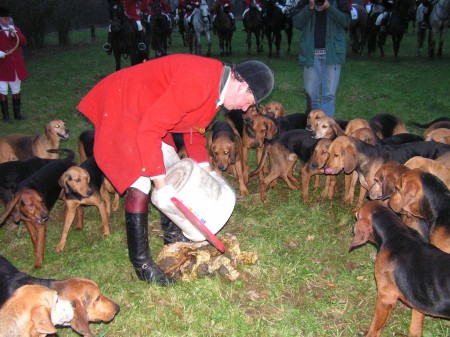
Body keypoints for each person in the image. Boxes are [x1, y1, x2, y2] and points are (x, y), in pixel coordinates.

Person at [77, 54, 274, 286]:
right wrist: (161, 186)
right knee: (140, 177)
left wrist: (206, 171)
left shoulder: (216, 91)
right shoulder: (200, 82)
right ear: (241, 84)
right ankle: (142, 264)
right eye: (250, 99)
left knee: (172, 165)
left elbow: (193, 130)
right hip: (125, 106)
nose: (247, 107)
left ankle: (173, 239)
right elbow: (149, 130)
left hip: (148, 113)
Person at [292, 0, 351, 117]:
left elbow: (346, 22)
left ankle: (327, 129)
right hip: (311, 54)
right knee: (310, 94)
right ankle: (314, 126)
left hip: (332, 54)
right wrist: (310, 7)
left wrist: (329, 7)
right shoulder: (306, 2)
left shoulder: (338, 2)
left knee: (329, 95)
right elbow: (297, 22)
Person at [0, 7, 27, 121]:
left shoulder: (14, 29)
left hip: (15, 65)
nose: (7, 19)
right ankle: (6, 116)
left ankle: (17, 114)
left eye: (8, 17)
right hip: (2, 66)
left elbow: (24, 42)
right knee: (2, 90)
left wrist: (15, 33)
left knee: (16, 89)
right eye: (4, 17)